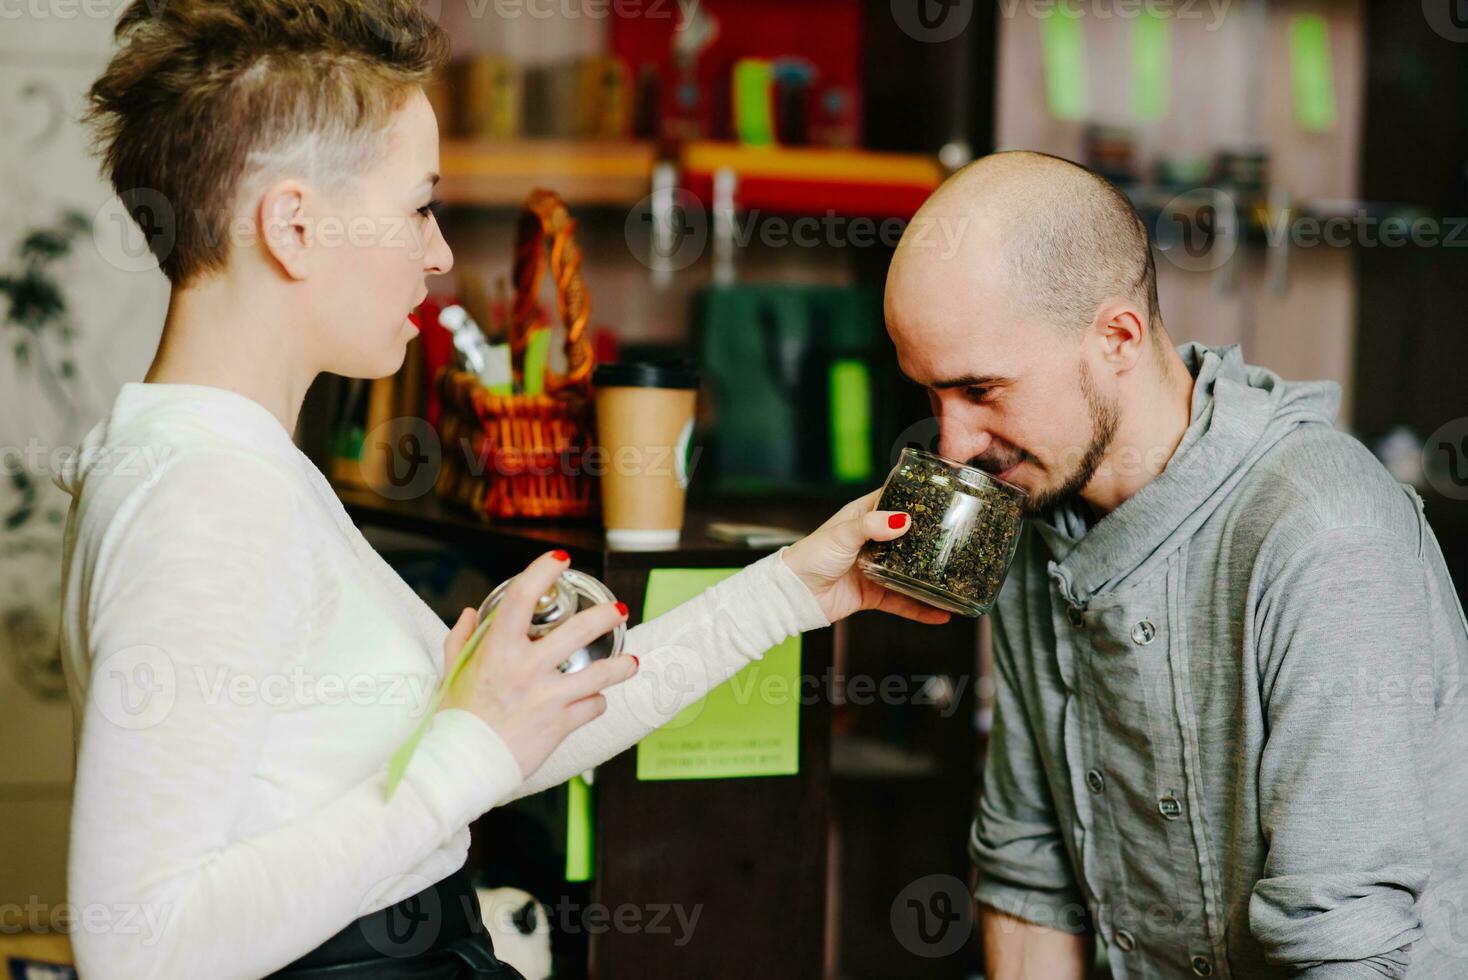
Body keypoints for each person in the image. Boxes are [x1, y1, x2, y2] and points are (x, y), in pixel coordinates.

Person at [58, 2, 950, 977]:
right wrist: (471, 741)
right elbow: (138, 943)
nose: (439, 253)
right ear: (294, 225)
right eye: (416, 206)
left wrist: (794, 587)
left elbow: (504, 745)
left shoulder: (228, 466)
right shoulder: (208, 497)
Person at [884, 150, 1468, 978]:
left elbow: (1346, 948)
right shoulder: (1029, 494)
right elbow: (1030, 870)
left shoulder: (1322, 535)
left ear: (1117, 336)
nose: (952, 447)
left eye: (981, 390)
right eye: (930, 395)